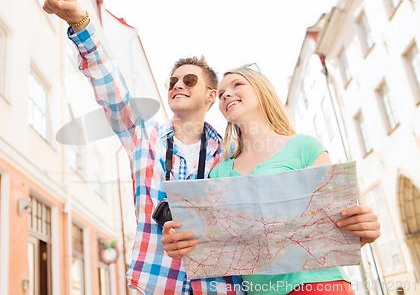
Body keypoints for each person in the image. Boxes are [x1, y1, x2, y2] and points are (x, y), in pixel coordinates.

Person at [41, 0, 244, 294]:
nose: (178, 84)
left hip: (218, 287)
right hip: (154, 283)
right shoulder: (143, 135)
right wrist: (80, 23)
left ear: (211, 95)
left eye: (189, 80)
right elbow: (112, 89)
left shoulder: (232, 153)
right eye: (173, 81)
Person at [161, 65, 381, 295]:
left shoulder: (305, 148)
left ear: (261, 91)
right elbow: (213, 244)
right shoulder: (220, 173)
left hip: (318, 286)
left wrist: (364, 230)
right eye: (222, 91)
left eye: (237, 84)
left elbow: (338, 229)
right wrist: (179, 242)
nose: (226, 94)